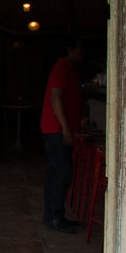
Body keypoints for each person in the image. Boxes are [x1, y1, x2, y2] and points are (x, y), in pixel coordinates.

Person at [40, 37, 85, 233]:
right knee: (62, 174)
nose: (83, 52)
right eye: (80, 48)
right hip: (56, 130)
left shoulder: (69, 69)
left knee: (56, 173)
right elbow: (55, 98)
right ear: (70, 49)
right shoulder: (61, 69)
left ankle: (52, 215)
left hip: (57, 129)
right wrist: (65, 128)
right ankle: (55, 216)